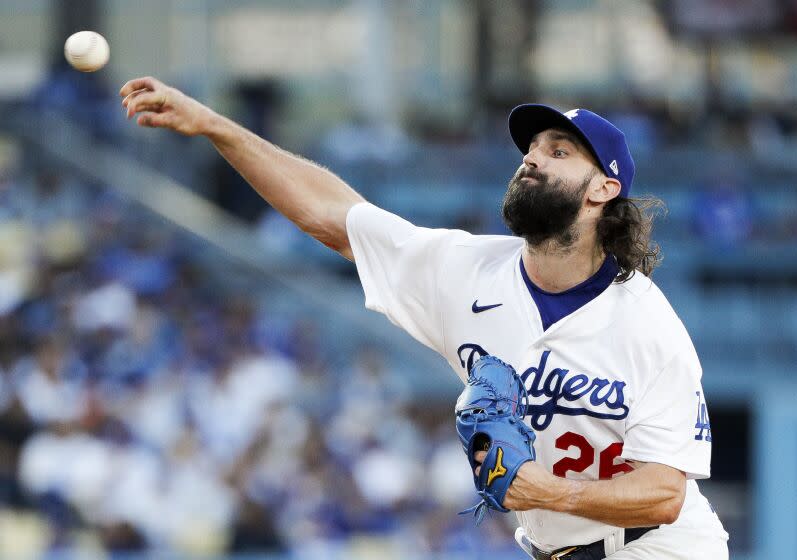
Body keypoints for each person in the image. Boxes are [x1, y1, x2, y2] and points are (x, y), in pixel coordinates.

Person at [120, 77, 729, 559]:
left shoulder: (648, 324)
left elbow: (663, 494)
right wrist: (214, 126)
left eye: (559, 151)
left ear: (603, 190)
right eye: (532, 149)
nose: (532, 159)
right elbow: (333, 216)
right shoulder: (464, 272)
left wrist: (542, 491)